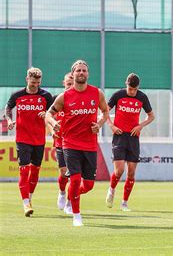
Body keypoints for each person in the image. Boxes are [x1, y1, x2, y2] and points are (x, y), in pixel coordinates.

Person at [46, 60, 109, 226]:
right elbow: (48, 114)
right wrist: (54, 124)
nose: (81, 73)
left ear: (88, 74)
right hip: (70, 144)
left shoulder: (97, 93)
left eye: (84, 70)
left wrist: (100, 124)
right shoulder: (64, 96)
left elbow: (105, 111)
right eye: (78, 70)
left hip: (90, 145)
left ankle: (70, 197)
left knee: (88, 185)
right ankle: (76, 215)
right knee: (74, 179)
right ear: (72, 74)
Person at [5, 67, 53, 217]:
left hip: (39, 139)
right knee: (24, 170)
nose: (35, 85)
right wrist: (9, 120)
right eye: (33, 82)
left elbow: (54, 111)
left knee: (35, 170)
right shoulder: (17, 95)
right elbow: (8, 107)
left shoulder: (46, 96)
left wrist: (46, 114)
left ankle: (29, 197)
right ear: (27, 79)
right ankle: (26, 202)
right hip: (23, 138)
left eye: (38, 83)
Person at [105, 73, 155, 211]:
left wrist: (140, 125)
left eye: (134, 89)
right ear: (126, 84)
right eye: (129, 88)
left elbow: (151, 116)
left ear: (138, 87)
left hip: (133, 137)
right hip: (119, 136)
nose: (132, 92)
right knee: (119, 170)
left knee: (131, 172)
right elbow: (105, 111)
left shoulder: (142, 97)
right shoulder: (118, 95)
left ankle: (124, 203)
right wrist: (111, 126)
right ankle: (112, 189)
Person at [51, 72, 74, 212]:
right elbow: (47, 117)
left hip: (75, 142)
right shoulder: (57, 99)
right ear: (63, 83)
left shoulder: (78, 99)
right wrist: (52, 128)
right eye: (68, 83)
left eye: (73, 83)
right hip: (60, 141)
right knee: (64, 172)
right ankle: (62, 192)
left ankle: (70, 203)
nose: (70, 85)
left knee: (74, 174)